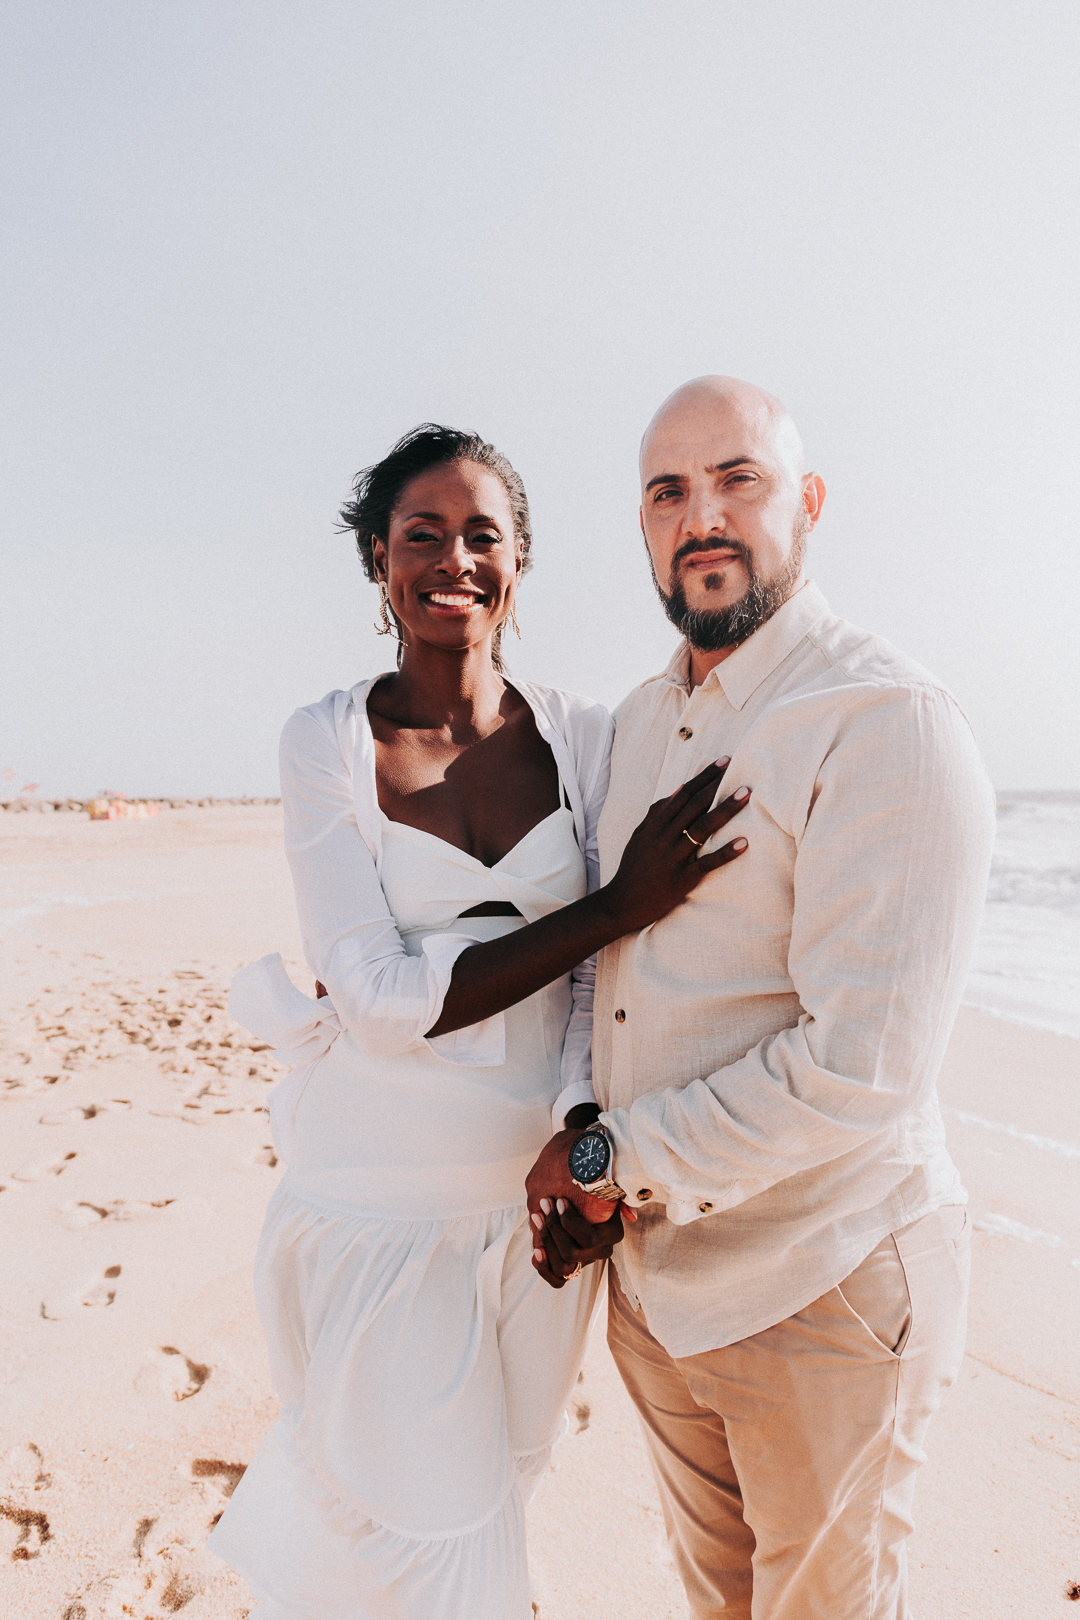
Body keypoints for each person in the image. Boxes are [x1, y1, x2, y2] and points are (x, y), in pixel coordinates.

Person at [208, 423, 750, 1620]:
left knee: (487, 1504)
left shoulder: (586, 737)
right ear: (377, 558)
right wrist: (612, 907)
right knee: (445, 1556)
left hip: (532, 1219)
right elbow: (378, 999)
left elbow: (592, 992)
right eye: (423, 534)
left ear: (519, 561)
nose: (454, 559)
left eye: (482, 535)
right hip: (379, 1209)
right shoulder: (325, 741)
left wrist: (581, 1142)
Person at [526, 377, 997, 1620]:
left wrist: (611, 1159)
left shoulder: (886, 720)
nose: (703, 517)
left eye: (739, 479)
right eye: (668, 493)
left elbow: (859, 1069)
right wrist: (585, 1131)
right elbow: (606, 970)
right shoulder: (637, 726)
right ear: (642, 527)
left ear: (810, 502)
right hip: (660, 1293)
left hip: (823, 1288)